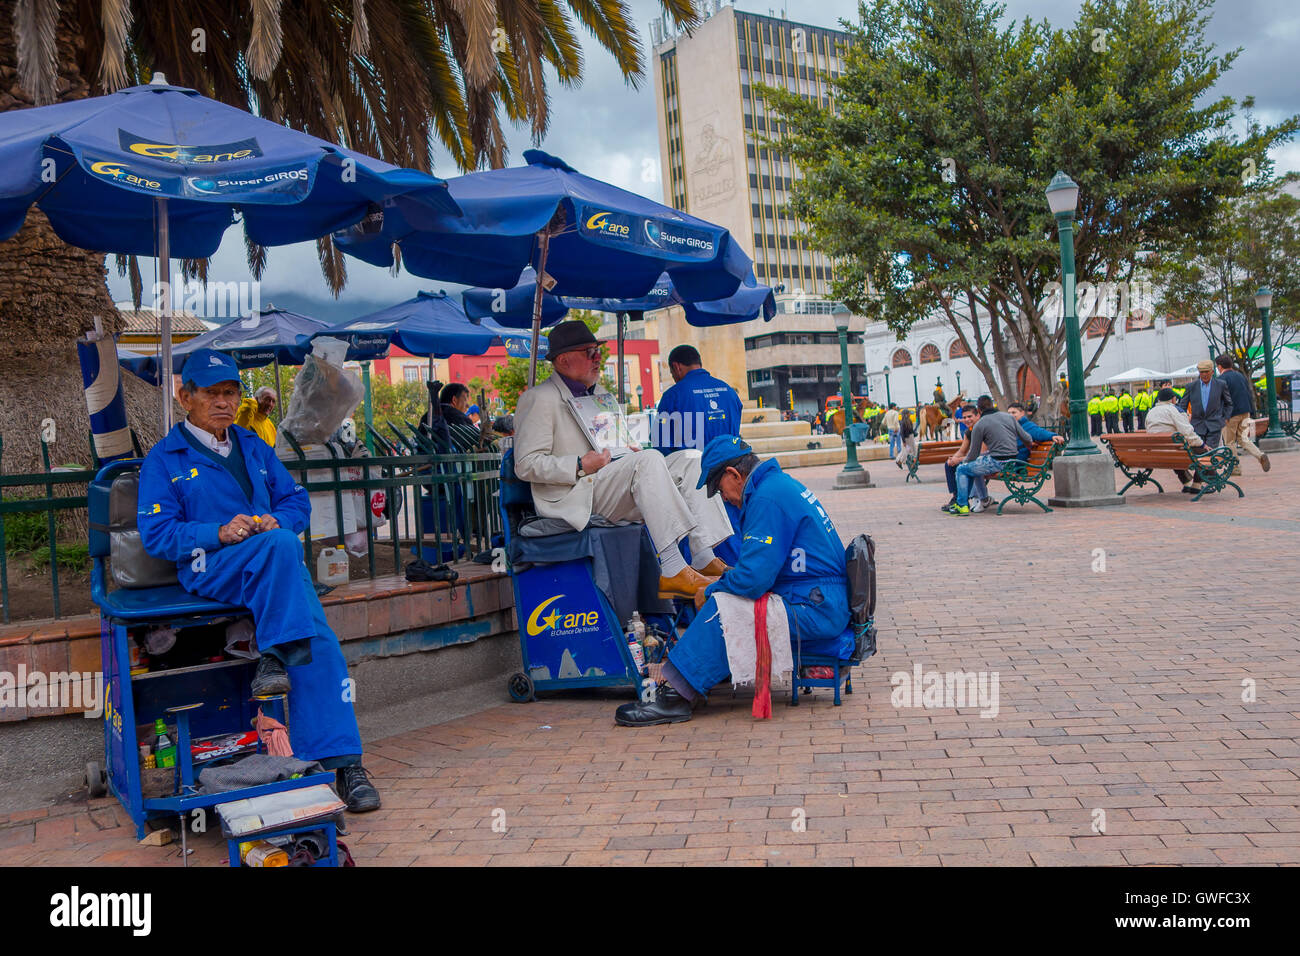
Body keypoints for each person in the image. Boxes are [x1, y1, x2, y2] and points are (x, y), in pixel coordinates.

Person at [137, 350, 380, 812]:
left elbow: (297, 503)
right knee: (285, 556)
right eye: (211, 393)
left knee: (320, 636)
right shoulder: (163, 459)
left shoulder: (253, 446)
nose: (223, 402)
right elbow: (158, 535)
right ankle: (332, 748)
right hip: (209, 565)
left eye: (230, 392)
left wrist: (276, 519)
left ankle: (341, 757)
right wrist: (217, 531)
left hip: (272, 565)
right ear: (185, 397)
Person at [612, 436, 853, 726]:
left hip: (816, 607)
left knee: (725, 610)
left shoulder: (767, 498)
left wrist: (711, 589)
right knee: (728, 596)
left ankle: (677, 694)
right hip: (819, 599)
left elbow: (753, 579)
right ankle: (701, 672)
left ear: (734, 475)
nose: (723, 498)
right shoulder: (776, 487)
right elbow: (759, 569)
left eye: (719, 489)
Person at [513, 321, 732, 598]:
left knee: (692, 458)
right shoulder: (539, 398)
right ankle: (673, 567)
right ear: (564, 359)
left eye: (598, 351)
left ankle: (703, 556)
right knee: (649, 460)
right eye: (590, 352)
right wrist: (579, 464)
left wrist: (631, 450)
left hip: (609, 481)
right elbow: (526, 464)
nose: (598, 358)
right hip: (576, 494)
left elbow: (620, 443)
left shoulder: (602, 395)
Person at [946, 397, 1038, 516]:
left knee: (962, 469)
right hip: (1013, 460)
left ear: (979, 410)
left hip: (997, 462)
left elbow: (973, 454)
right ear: (992, 405)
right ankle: (983, 499)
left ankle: (962, 505)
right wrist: (1029, 446)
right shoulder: (1009, 417)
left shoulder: (980, 424)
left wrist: (963, 463)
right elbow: (1027, 439)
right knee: (974, 468)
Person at [653, 344, 743, 454]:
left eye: (672, 374)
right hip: (728, 465)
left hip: (692, 468)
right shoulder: (729, 392)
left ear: (676, 367)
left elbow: (660, 442)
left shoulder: (673, 396)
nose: (675, 379)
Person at [1145, 387, 1209, 494]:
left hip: (1157, 453)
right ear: (1173, 399)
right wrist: (1202, 444)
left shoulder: (1150, 413)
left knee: (1176, 453)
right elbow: (1187, 432)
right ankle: (1197, 484)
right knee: (1205, 454)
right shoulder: (1172, 410)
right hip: (1174, 452)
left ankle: (1187, 482)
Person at [1215, 354, 1270, 473]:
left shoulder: (1221, 379)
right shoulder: (1240, 376)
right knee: (1243, 438)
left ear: (1219, 366)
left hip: (1230, 415)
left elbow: (1220, 399)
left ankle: (1235, 468)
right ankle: (1260, 455)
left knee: (1229, 442)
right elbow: (1249, 393)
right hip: (1245, 412)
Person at [1177, 359, 1232, 449]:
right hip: (1197, 426)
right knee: (1199, 453)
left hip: (1215, 426)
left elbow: (1228, 403)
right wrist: (1185, 419)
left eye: (1206, 372)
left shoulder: (1220, 385)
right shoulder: (1191, 387)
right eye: (1201, 372)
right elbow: (1182, 406)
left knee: (1211, 453)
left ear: (1212, 372)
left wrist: (1226, 418)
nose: (1204, 374)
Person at [940, 404, 981, 513]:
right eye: (964, 417)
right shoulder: (969, 432)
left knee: (963, 468)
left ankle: (962, 500)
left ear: (978, 416)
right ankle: (956, 496)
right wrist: (953, 459)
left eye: (970, 416)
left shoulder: (982, 429)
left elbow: (980, 455)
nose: (967, 420)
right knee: (949, 464)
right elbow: (962, 450)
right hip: (974, 459)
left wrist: (959, 460)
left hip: (983, 461)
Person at [894, 404, 917, 470]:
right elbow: (901, 432)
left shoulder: (907, 421)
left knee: (907, 450)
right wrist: (904, 441)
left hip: (910, 438)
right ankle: (902, 461)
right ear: (906, 414)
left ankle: (899, 461)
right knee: (909, 450)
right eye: (909, 413)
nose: (910, 414)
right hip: (908, 439)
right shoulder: (904, 422)